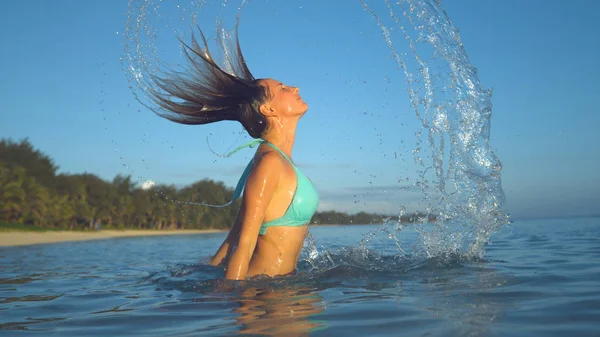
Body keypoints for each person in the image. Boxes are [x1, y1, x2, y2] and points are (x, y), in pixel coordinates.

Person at [146, 24, 319, 280]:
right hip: (267, 298)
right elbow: (245, 245)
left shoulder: (274, 159)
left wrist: (209, 269)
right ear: (268, 110)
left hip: (281, 290)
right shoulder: (269, 163)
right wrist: (236, 303)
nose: (295, 88)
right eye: (282, 88)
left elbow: (235, 234)